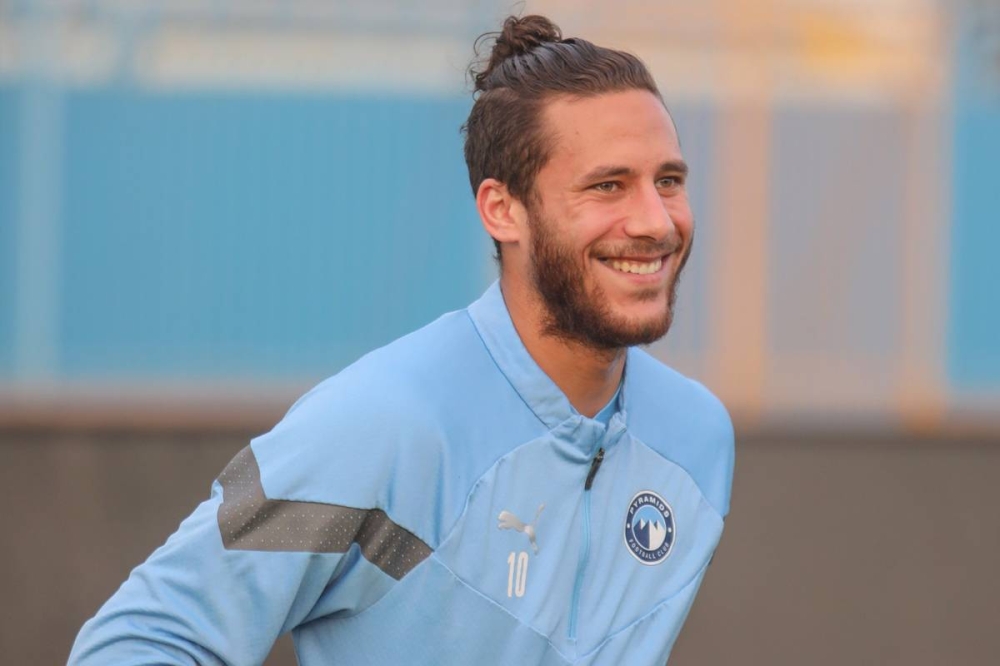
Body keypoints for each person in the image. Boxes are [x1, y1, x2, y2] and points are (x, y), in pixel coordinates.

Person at [69, 14, 734, 666]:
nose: (656, 222)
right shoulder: (380, 426)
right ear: (502, 210)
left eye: (668, 181)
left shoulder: (696, 440)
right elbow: (136, 643)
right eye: (607, 186)